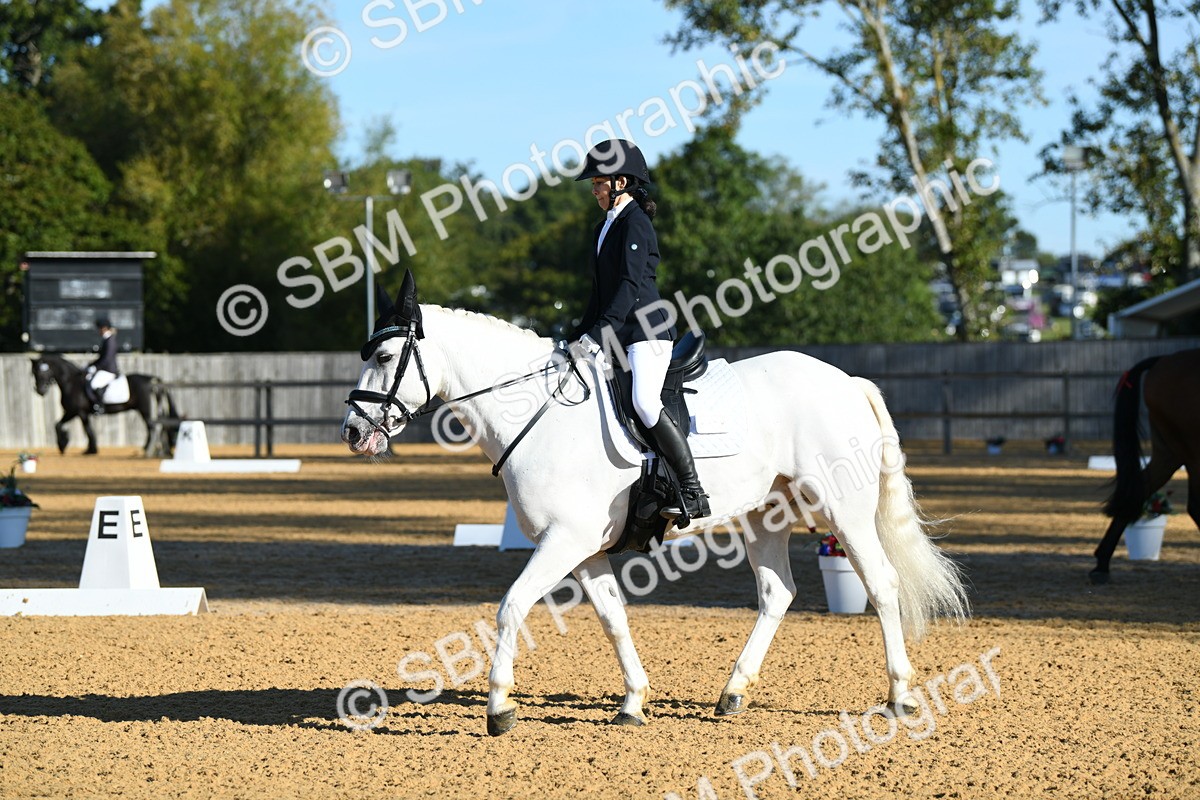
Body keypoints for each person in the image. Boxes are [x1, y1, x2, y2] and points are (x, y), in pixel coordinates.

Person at [570, 139, 710, 521]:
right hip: (619, 331)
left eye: (599, 182)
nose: (594, 189)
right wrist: (579, 334)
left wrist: (599, 335)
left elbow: (629, 287)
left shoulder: (636, 222)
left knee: (646, 403)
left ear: (621, 182)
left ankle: (693, 490)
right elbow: (601, 294)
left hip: (646, 331)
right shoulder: (606, 226)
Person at [86, 317, 120, 414]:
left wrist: (96, 367)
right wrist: (90, 365)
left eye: (99, 328)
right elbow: (101, 358)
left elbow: (107, 359)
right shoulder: (106, 339)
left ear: (104, 328)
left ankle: (99, 405)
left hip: (109, 370)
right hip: (104, 369)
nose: (98, 331)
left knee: (94, 384)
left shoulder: (110, 340)